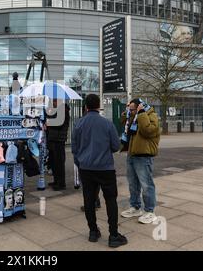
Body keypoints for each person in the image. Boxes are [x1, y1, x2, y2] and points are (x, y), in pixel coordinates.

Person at [72, 94, 128, 248]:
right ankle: (114, 235)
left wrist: (81, 162)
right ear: (98, 106)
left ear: (85, 107)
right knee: (110, 200)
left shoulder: (78, 124)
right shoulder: (107, 124)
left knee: (89, 200)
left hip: (86, 169)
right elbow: (116, 147)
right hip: (105, 168)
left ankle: (93, 232)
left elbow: (75, 149)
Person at [120, 98, 160, 224]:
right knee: (133, 183)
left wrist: (141, 113)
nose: (130, 112)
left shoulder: (150, 115)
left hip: (144, 155)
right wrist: (127, 111)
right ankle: (135, 207)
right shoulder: (133, 116)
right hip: (132, 153)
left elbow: (148, 131)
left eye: (132, 109)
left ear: (139, 107)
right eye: (129, 109)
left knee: (146, 184)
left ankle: (149, 211)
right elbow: (122, 122)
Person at [46, 99, 70, 191]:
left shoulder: (63, 110)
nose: (53, 103)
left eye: (54, 101)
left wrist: (48, 122)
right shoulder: (57, 110)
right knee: (54, 162)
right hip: (53, 139)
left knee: (59, 162)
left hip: (59, 139)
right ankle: (56, 181)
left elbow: (59, 124)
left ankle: (61, 183)